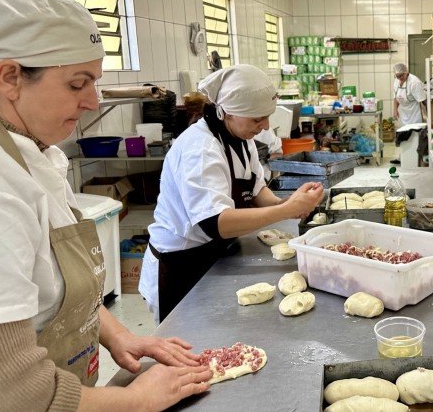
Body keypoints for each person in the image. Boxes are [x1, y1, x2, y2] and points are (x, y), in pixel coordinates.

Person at [0, 0, 211, 410]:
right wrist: (137, 401)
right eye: (77, 84)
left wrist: (118, 334)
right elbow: (7, 390)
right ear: (10, 77)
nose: (92, 102)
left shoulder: (33, 154)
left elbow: (52, 289)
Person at [139, 64, 324, 321]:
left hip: (216, 255)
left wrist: (290, 203)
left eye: (267, 116)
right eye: (257, 119)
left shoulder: (241, 138)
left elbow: (256, 190)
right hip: (182, 265)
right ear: (226, 112)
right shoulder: (201, 149)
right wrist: (284, 211)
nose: (265, 125)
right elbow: (215, 223)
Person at [391, 63, 427, 164]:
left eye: (402, 76)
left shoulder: (414, 82)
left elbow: (423, 100)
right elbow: (396, 97)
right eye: (397, 76)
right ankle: (402, 157)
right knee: (403, 135)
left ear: (406, 72)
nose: (400, 78)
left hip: (414, 113)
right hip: (403, 112)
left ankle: (415, 158)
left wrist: (428, 115)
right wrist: (395, 110)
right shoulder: (397, 81)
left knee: (414, 136)